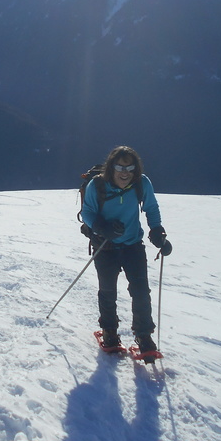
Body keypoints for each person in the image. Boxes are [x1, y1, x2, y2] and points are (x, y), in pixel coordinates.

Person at [80, 145, 172, 354]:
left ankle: (144, 335)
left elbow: (151, 208)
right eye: (120, 167)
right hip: (105, 246)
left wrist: (157, 231)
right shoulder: (97, 185)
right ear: (111, 167)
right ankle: (110, 331)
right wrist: (102, 228)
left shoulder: (142, 183)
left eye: (130, 168)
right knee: (108, 290)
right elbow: (87, 212)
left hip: (133, 245)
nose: (125, 173)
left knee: (140, 291)